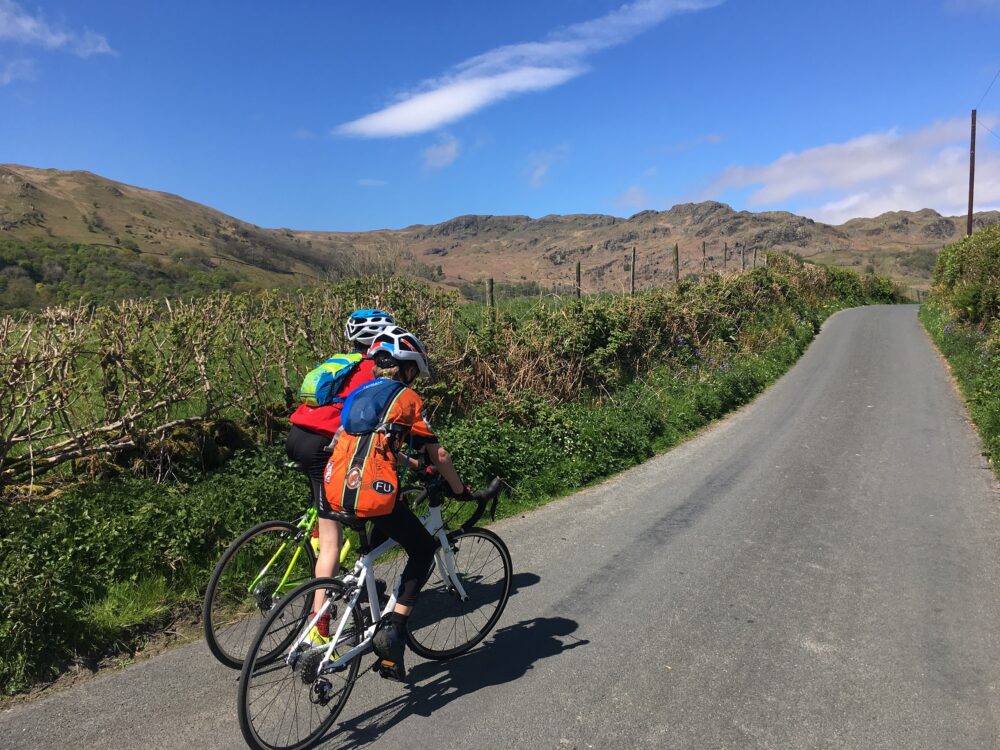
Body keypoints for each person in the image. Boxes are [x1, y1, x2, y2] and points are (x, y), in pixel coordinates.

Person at [322, 326, 470, 682]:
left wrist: (412, 465)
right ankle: (394, 629)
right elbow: (441, 453)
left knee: (377, 533)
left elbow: (369, 444)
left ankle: (359, 603)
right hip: (372, 492)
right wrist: (460, 489)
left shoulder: (360, 394)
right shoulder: (407, 399)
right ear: (407, 369)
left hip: (337, 489)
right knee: (422, 548)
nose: (414, 378)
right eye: (414, 372)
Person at [285, 308, 395, 643]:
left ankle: (318, 535)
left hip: (296, 435)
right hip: (321, 446)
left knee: (326, 500)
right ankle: (319, 631)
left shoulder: (340, 361)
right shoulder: (371, 372)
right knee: (334, 542)